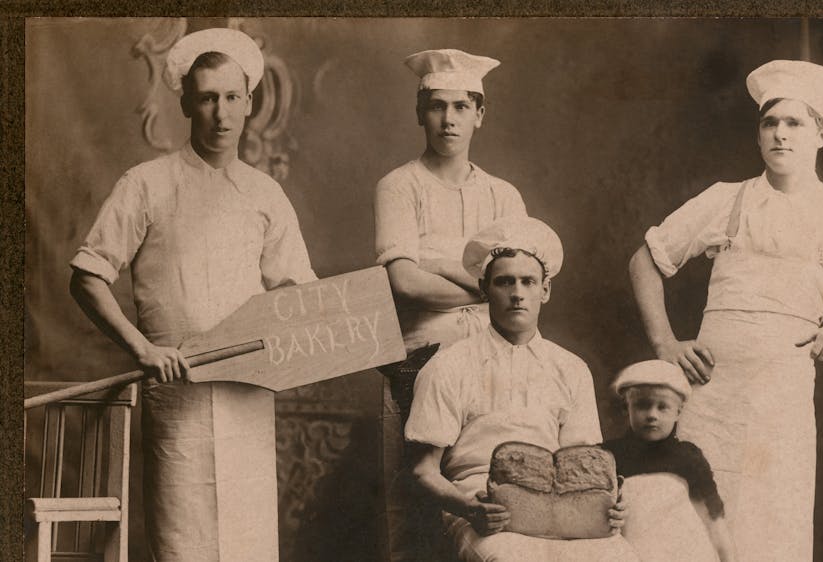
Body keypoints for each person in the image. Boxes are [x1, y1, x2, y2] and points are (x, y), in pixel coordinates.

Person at [628, 59, 823, 561]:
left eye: (794, 123)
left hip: (781, 404)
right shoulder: (726, 201)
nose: (780, 134)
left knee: (771, 530)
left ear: (821, 133)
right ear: (758, 134)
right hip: (709, 399)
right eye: (769, 123)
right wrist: (666, 344)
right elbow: (645, 261)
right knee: (688, 527)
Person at [69, 28, 316, 561]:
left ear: (249, 102)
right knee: (185, 545)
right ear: (185, 102)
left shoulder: (265, 194)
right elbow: (87, 275)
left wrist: (282, 340)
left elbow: (299, 295)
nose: (220, 114)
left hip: (248, 400)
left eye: (231, 98)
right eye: (206, 98)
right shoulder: (146, 184)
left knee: (248, 544)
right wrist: (142, 349)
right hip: (175, 399)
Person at [405, 216, 640, 561]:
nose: (517, 294)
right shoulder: (449, 365)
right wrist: (469, 508)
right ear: (485, 290)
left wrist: (610, 502)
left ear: (545, 290)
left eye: (528, 281)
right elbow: (422, 471)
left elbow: (583, 467)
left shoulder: (571, 368)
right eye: (504, 282)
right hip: (482, 505)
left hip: (561, 507)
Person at [372, 48, 527, 559]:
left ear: (480, 114)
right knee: (413, 502)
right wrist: (486, 284)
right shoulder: (398, 186)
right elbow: (404, 283)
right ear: (420, 112)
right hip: (419, 359)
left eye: (461, 107)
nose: (448, 119)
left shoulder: (504, 196)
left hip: (493, 362)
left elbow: (516, 286)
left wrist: (436, 263)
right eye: (437, 106)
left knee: (490, 492)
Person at [603, 360, 737, 562]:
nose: (652, 415)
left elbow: (714, 517)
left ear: (678, 412)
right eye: (642, 405)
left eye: (662, 407)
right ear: (626, 408)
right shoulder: (609, 456)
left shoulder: (688, 457)